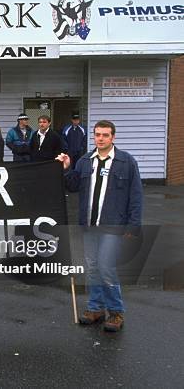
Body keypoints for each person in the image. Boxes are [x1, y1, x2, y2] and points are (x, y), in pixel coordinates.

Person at [57, 120, 143, 332]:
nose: (101, 138)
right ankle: (96, 308)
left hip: (113, 226)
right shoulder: (85, 161)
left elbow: (136, 196)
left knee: (106, 267)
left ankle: (115, 312)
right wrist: (67, 168)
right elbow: (73, 186)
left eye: (105, 135)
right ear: (93, 137)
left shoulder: (126, 162)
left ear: (113, 137)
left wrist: (134, 225)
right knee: (93, 267)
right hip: (89, 226)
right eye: (97, 134)